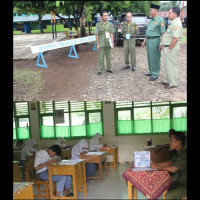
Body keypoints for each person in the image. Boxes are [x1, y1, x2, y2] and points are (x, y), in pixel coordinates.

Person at [151, 132, 187, 199]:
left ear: (178, 143)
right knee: (163, 187)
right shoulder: (180, 152)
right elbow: (170, 162)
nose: (169, 142)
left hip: (185, 184)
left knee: (168, 196)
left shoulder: (185, 153)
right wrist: (156, 164)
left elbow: (174, 169)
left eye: (171, 140)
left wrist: (157, 167)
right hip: (181, 181)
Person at [159, 6, 183, 89]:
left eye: (170, 13)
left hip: (171, 48)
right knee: (166, 65)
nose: (168, 14)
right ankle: (167, 80)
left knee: (171, 65)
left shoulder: (176, 24)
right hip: (168, 47)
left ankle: (173, 83)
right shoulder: (172, 22)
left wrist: (169, 49)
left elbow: (175, 39)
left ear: (175, 14)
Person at [141, 3, 165, 81]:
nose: (150, 12)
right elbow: (148, 32)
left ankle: (155, 74)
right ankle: (151, 71)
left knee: (155, 57)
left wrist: (161, 43)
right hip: (149, 40)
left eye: (151, 10)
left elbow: (163, 33)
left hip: (155, 40)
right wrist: (144, 41)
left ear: (156, 11)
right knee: (150, 57)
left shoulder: (160, 20)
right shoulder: (150, 20)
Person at [94, 10, 115, 75]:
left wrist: (112, 41)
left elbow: (111, 33)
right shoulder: (98, 24)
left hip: (108, 43)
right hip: (101, 43)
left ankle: (109, 68)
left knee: (108, 56)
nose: (106, 17)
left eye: (107, 15)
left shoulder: (110, 24)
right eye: (105, 15)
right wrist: (97, 44)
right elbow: (97, 35)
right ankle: (100, 69)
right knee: (101, 56)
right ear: (101, 17)